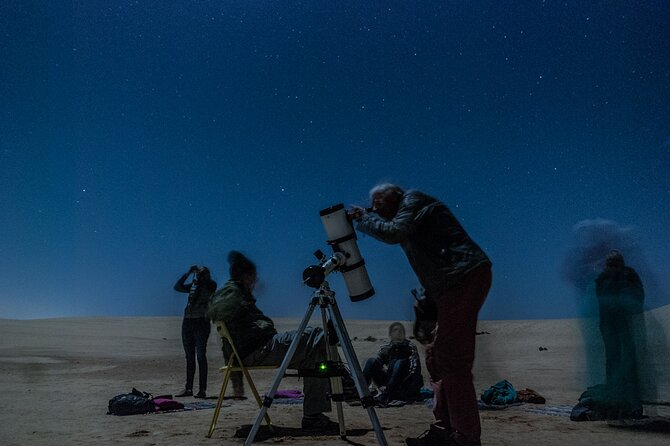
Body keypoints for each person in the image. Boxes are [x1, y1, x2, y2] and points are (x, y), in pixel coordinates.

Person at [350, 183, 492, 446]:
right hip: (447, 286)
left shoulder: (412, 200)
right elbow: (433, 261)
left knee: (453, 360)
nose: (376, 210)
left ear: (394, 196)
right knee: (435, 358)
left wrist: (363, 219)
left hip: (463, 278)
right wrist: (427, 300)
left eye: (379, 204)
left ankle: (465, 438)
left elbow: (394, 232)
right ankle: (444, 429)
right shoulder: (410, 218)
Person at [207, 251, 338, 433]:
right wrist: (260, 325)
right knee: (315, 333)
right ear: (246, 277)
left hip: (256, 350)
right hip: (259, 350)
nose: (255, 282)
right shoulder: (233, 294)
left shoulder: (230, 293)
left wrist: (237, 381)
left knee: (315, 358)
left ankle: (313, 417)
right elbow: (223, 315)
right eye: (253, 277)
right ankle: (345, 381)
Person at [595, 250, 645, 416]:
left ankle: (629, 402)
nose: (614, 268)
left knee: (626, 362)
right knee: (614, 362)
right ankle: (618, 400)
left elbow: (638, 297)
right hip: (612, 327)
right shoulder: (605, 278)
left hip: (622, 326)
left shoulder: (626, 276)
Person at [173, 265, 217, 398]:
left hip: (201, 322)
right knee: (189, 357)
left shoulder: (210, 285)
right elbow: (177, 287)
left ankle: (202, 389)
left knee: (201, 356)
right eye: (198, 273)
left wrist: (201, 278)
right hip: (188, 321)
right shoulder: (193, 284)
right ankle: (188, 388)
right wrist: (187, 273)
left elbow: (209, 288)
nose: (199, 275)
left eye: (201, 273)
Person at [363, 322, 424, 405]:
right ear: (390, 334)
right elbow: (377, 365)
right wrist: (377, 386)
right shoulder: (387, 348)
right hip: (390, 384)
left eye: (400, 331)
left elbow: (414, 370)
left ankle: (386, 395)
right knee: (371, 361)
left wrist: (391, 386)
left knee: (399, 362)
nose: (398, 333)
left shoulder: (410, 347)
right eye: (395, 331)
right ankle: (361, 391)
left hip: (406, 385)